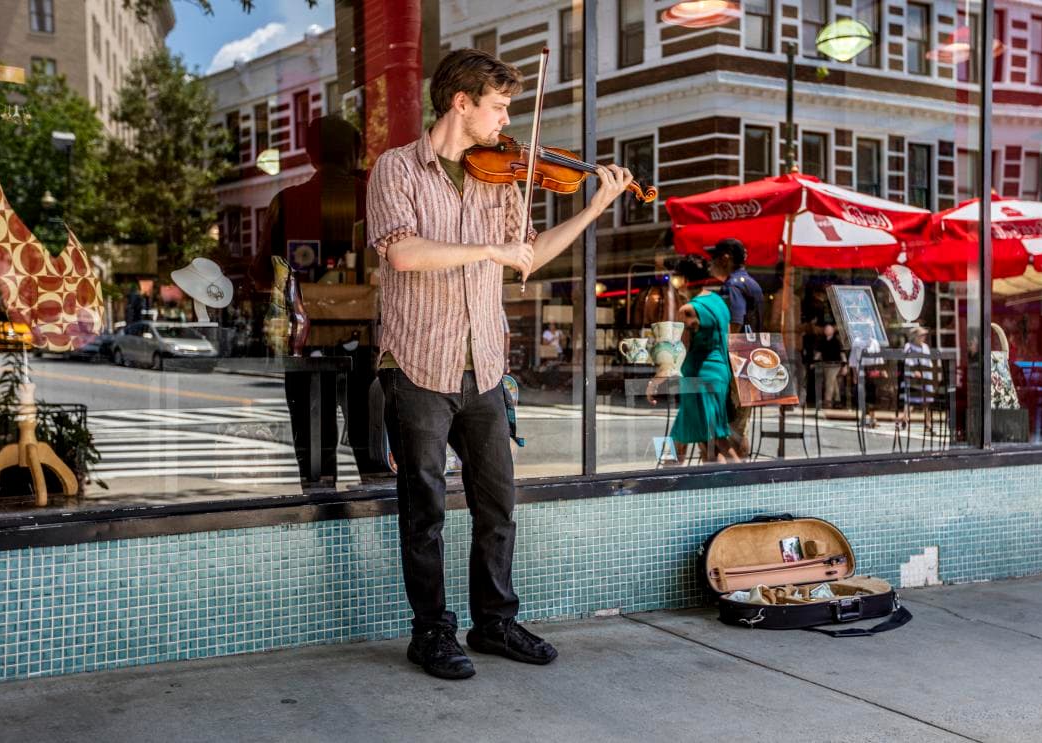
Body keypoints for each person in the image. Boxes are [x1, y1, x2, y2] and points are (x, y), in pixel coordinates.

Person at [364, 48, 633, 681]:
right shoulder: (396, 169)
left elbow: (528, 255)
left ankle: (494, 622)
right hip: (416, 361)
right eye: (499, 106)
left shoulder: (503, 176)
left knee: (497, 504)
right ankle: (430, 632)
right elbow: (403, 253)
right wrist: (486, 247)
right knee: (424, 507)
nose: (507, 120)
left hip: (483, 363)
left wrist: (592, 209)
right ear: (461, 103)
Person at [257, 115, 381, 482]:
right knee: (374, 459)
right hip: (368, 341)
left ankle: (322, 527)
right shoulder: (374, 199)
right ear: (356, 153)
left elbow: (262, 274)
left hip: (306, 341)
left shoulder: (287, 201)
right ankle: (382, 529)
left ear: (311, 154)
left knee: (315, 465)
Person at [646, 254, 740, 465]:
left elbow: (679, 351)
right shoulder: (719, 303)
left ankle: (744, 480)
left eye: (675, 278)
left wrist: (656, 380)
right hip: (718, 374)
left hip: (699, 377)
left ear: (683, 280)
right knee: (708, 436)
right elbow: (727, 341)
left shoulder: (688, 309)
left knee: (711, 437)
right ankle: (719, 483)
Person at [705, 238, 763, 457]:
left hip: (735, 363)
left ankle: (733, 477)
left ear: (726, 258)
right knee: (740, 428)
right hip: (752, 361)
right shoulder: (750, 282)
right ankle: (743, 473)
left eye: (714, 258)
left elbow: (734, 324)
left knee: (727, 428)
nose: (710, 263)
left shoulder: (733, 285)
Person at [902, 325, 936, 432]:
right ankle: (905, 420)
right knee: (910, 400)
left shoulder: (925, 347)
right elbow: (907, 361)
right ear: (915, 336)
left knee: (927, 402)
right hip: (914, 378)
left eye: (924, 335)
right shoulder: (909, 346)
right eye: (921, 335)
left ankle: (928, 423)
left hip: (925, 377)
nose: (923, 337)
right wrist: (914, 371)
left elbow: (928, 363)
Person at [813, 318, 847, 408]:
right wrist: (814, 362)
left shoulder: (837, 341)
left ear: (832, 331)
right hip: (826, 364)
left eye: (829, 329)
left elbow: (842, 353)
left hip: (835, 364)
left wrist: (844, 366)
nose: (827, 331)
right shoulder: (822, 341)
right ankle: (837, 400)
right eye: (826, 329)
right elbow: (819, 353)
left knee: (829, 382)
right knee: (833, 382)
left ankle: (827, 401)